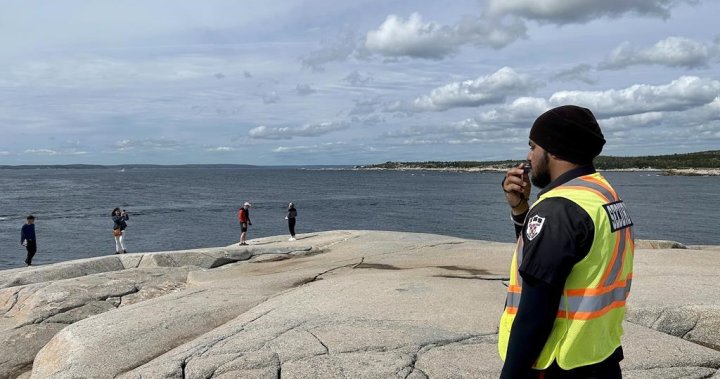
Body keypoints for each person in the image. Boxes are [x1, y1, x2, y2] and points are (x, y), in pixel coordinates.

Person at [498, 105, 634, 378]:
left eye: (533, 146)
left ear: (553, 150)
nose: (529, 156)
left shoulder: (558, 209)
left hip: (558, 364)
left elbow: (534, 316)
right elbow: (553, 258)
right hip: (599, 357)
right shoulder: (603, 194)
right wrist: (520, 211)